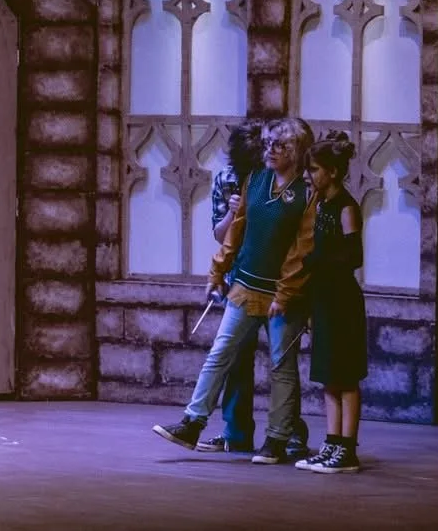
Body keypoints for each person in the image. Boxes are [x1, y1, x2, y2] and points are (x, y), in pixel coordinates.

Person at [152, 116, 318, 465]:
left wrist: (285, 294)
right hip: (245, 285)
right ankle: (192, 423)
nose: (270, 151)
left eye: (279, 145)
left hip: (281, 295)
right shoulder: (255, 180)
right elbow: (234, 233)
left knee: (281, 365)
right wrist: (217, 271)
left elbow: (301, 250)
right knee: (221, 352)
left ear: (296, 150)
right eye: (268, 144)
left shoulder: (306, 194)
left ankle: (278, 437)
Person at [195, 120, 269, 456]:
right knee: (236, 355)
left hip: (274, 274)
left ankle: (287, 434)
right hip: (240, 276)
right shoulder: (226, 178)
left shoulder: (274, 177)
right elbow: (219, 234)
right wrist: (234, 213)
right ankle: (236, 432)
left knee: (283, 361)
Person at [295, 132, 366, 473]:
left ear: (333, 172)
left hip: (342, 301)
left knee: (346, 376)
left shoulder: (346, 207)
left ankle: (348, 449)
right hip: (323, 297)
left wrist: (315, 261)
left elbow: (353, 256)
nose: (309, 175)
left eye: (314, 169)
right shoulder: (320, 204)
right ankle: (332, 442)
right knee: (328, 376)